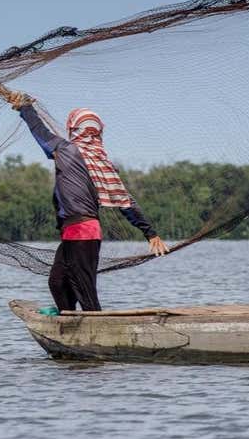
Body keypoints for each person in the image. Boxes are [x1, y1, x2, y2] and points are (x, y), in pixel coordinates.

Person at [12, 96, 168, 312]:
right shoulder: (96, 161)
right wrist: (149, 232)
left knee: (83, 289)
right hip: (72, 233)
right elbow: (126, 201)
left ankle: (96, 332)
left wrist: (25, 108)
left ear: (73, 128)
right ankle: (69, 323)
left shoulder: (66, 150)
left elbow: (39, 130)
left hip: (84, 233)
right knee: (57, 282)